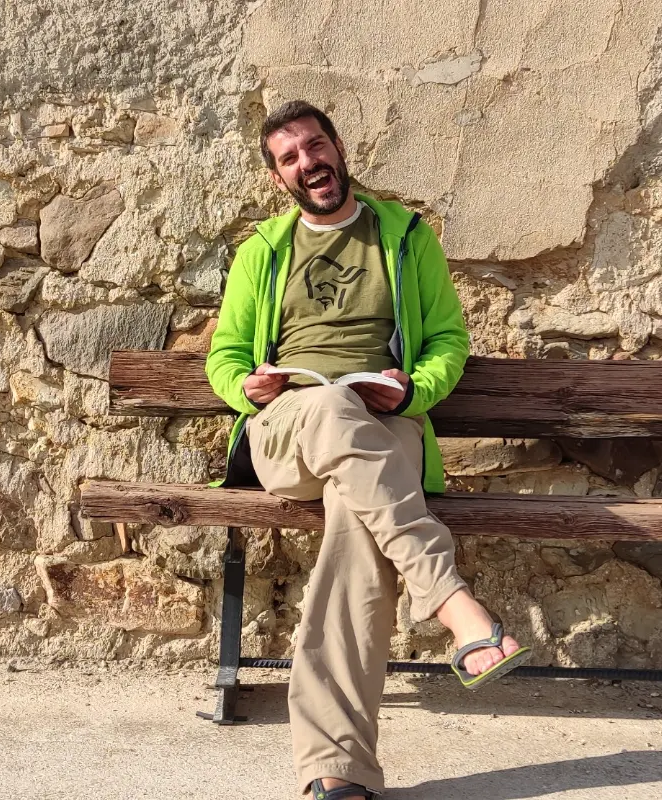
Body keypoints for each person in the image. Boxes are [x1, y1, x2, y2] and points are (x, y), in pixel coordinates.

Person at [206, 101, 531, 799]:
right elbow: (224, 358)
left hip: (382, 428)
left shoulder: (406, 237)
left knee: (358, 535)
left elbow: (448, 340)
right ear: (277, 178)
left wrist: (412, 390)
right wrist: (248, 385)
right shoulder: (264, 252)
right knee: (326, 403)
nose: (307, 163)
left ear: (339, 147)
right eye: (289, 157)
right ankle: (452, 603)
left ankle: (337, 771)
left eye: (315, 146)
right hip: (288, 429)